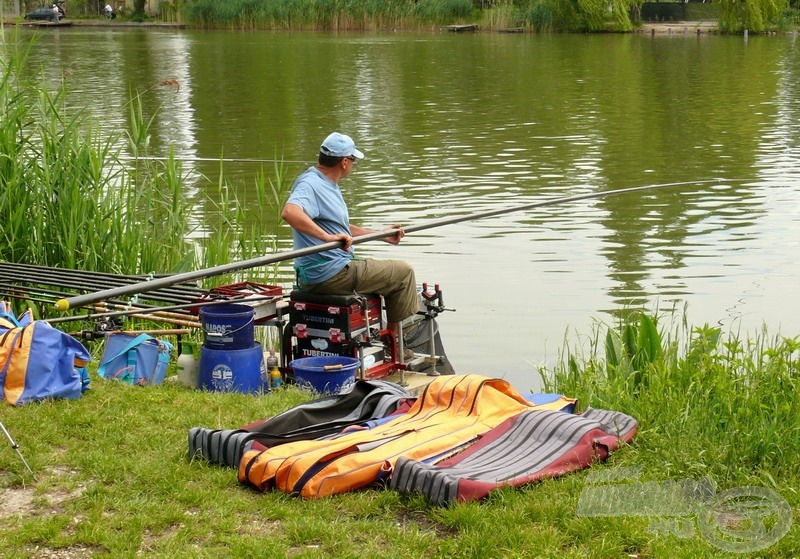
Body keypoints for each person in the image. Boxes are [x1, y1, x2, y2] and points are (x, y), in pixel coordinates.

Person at [281, 132, 418, 339]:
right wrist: (327, 238)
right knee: (403, 274)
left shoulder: (324, 183)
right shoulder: (310, 184)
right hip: (331, 273)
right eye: (353, 160)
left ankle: (385, 337)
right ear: (344, 162)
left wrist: (381, 234)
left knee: (389, 274)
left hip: (326, 270)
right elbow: (290, 212)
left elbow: (341, 228)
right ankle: (396, 343)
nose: (353, 165)